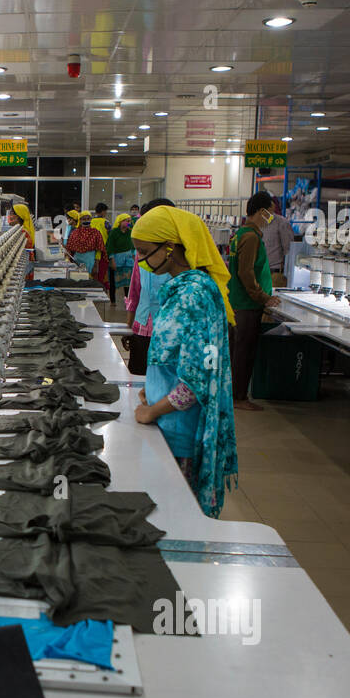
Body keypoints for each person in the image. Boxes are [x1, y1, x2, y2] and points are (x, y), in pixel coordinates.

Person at [130, 206, 238, 518]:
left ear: (170, 248)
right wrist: (152, 390)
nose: (139, 260)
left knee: (174, 518)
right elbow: (176, 359)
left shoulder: (191, 296)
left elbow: (195, 382)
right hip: (169, 418)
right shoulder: (188, 288)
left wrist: (153, 409)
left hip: (180, 430)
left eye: (143, 252)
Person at [228, 193, 281, 411]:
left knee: (239, 351)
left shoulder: (242, 234)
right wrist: (264, 297)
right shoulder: (250, 237)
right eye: (271, 213)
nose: (272, 217)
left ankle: (236, 395)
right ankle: (238, 398)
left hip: (240, 302)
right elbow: (246, 273)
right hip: (246, 305)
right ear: (261, 212)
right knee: (243, 353)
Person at [121, 198, 175, 369]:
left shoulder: (184, 261)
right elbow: (135, 290)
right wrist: (128, 328)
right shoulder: (141, 252)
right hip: (142, 326)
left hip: (169, 334)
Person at [66, 211, 108, 292]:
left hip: (91, 262)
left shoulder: (96, 233)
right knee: (78, 284)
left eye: (88, 218)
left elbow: (99, 250)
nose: (86, 221)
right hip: (77, 262)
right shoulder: (75, 233)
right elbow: (69, 249)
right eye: (83, 219)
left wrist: (96, 265)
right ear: (80, 220)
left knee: (89, 285)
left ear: (91, 219)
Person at [262, 198, 294, 289]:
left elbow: (288, 250)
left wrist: (288, 273)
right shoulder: (259, 224)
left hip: (275, 275)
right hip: (260, 273)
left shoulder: (282, 223)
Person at [105, 212, 135, 304]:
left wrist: (134, 258)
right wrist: (112, 260)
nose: (128, 222)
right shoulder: (114, 233)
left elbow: (132, 246)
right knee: (113, 281)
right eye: (126, 221)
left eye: (129, 221)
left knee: (128, 283)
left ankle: (127, 300)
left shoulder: (130, 232)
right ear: (120, 222)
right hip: (116, 260)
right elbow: (110, 247)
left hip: (128, 260)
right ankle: (113, 301)